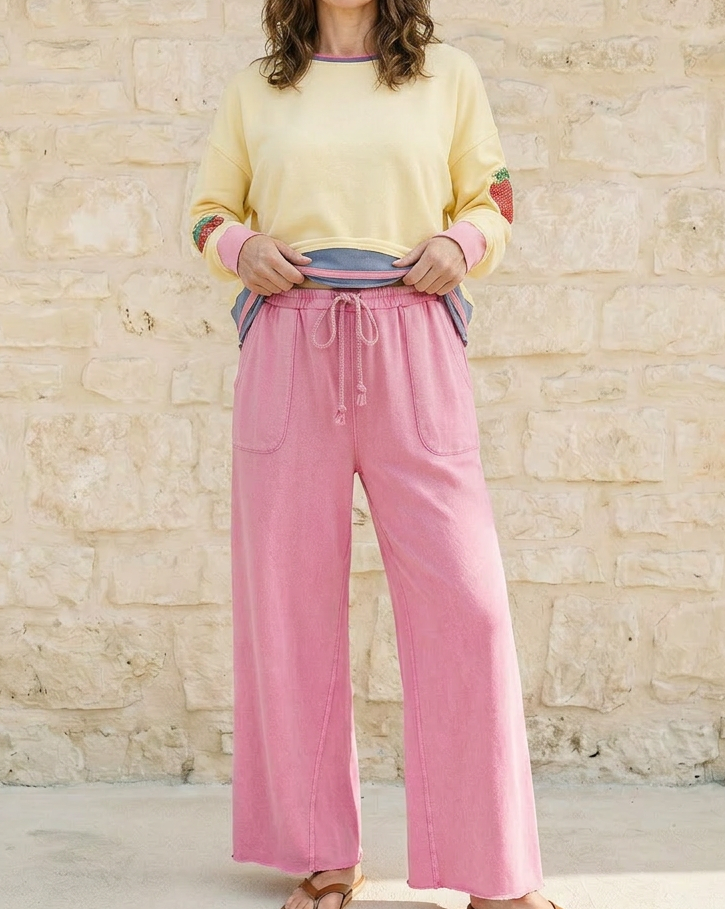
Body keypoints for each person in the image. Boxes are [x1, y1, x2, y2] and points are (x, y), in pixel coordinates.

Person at [189, 2, 563, 909]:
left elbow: (493, 202)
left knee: (468, 606)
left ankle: (496, 874)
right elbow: (206, 215)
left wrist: (461, 243)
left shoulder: (448, 78)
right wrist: (242, 247)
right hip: (290, 342)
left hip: (413, 341)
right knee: (289, 606)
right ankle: (322, 852)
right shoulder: (257, 88)